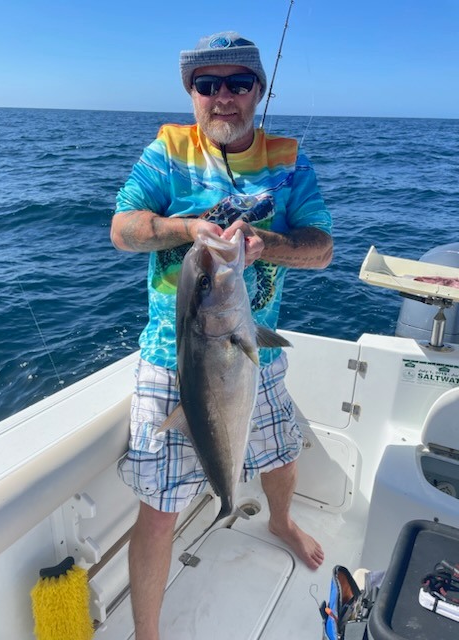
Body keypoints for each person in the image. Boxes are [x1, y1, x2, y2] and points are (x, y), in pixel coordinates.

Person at [111, 31, 333, 640]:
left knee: (282, 452)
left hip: (250, 349)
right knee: (159, 509)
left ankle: (279, 521)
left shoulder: (290, 158)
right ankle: (148, 635)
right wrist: (183, 229)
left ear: (258, 91)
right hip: (171, 358)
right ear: (192, 95)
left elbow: (321, 249)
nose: (223, 97)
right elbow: (123, 230)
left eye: (238, 83)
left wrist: (270, 246)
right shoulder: (166, 151)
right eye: (207, 86)